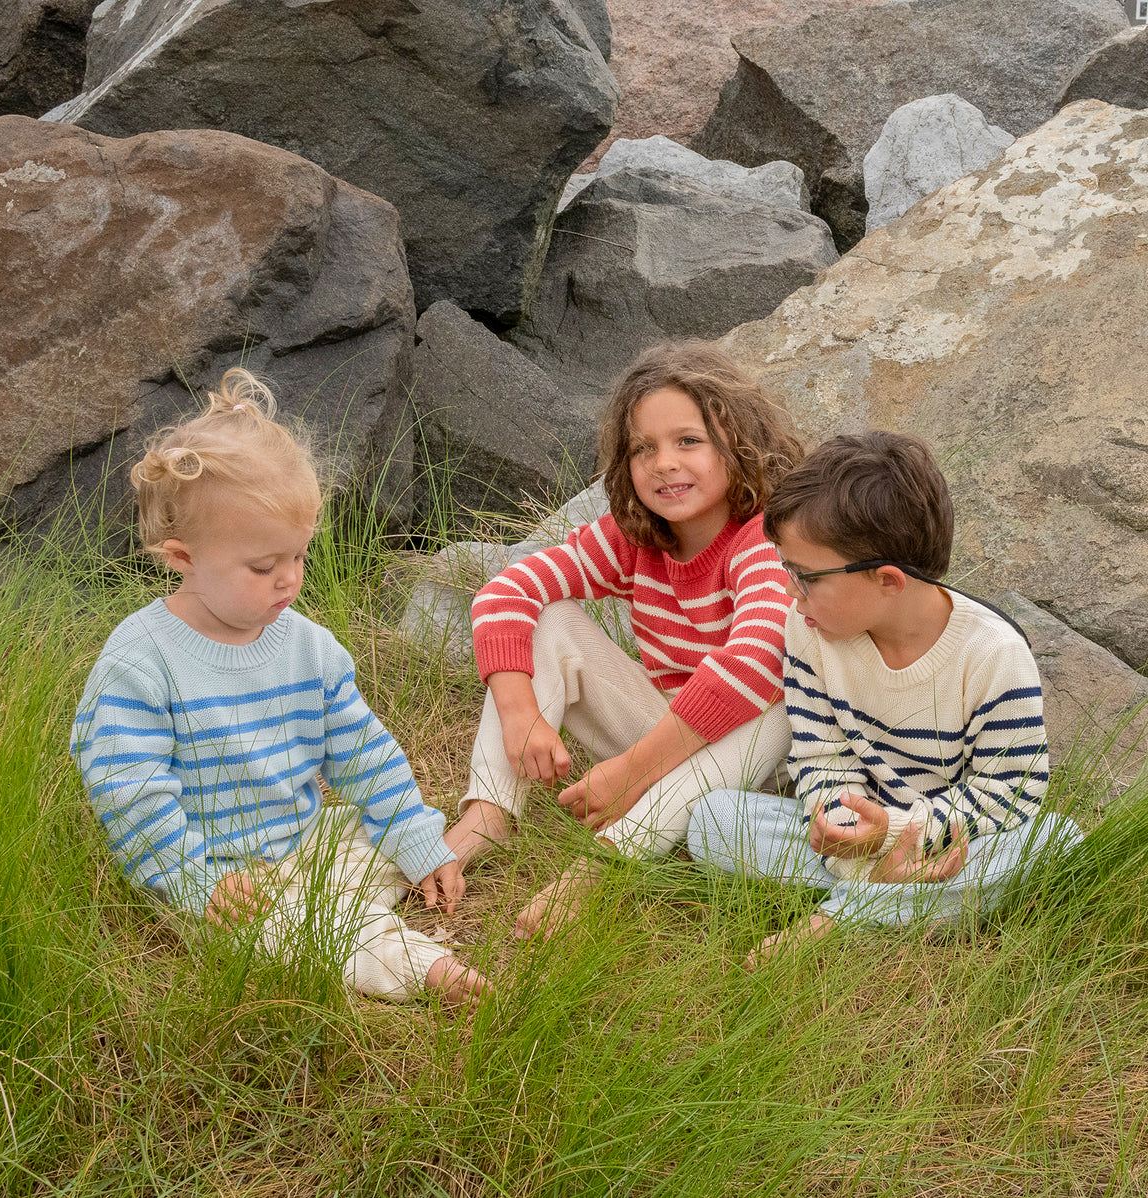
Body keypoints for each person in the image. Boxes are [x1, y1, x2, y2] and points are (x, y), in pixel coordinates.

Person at [71, 368, 489, 1007]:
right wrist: (197, 880)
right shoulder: (142, 659)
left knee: (383, 832)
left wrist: (410, 834)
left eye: (298, 556)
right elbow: (129, 792)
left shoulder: (307, 646)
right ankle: (418, 964)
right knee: (289, 930)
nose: (288, 580)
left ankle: (401, 875)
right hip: (219, 876)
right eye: (263, 566)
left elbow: (361, 752)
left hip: (304, 839)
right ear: (183, 558)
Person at [444, 341, 804, 937]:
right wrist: (520, 711)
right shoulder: (633, 538)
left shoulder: (763, 539)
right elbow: (506, 593)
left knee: (780, 697)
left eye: (688, 441)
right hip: (669, 736)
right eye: (644, 448)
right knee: (554, 620)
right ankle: (487, 813)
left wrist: (631, 771)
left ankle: (605, 865)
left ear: (738, 445)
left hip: (752, 775)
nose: (664, 463)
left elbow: (754, 660)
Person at [686, 430, 1082, 963]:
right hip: (860, 838)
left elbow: (1009, 791)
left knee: (1053, 843)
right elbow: (822, 755)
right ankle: (897, 900)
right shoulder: (807, 629)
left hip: (951, 839)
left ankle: (840, 919)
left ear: (889, 581)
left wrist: (904, 835)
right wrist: (849, 836)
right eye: (786, 571)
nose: (789, 593)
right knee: (713, 820)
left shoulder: (993, 656)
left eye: (804, 577)